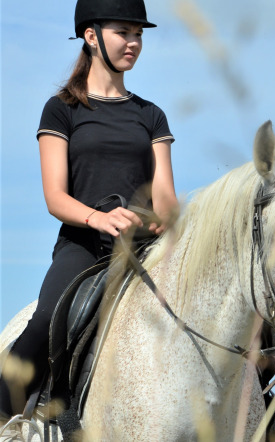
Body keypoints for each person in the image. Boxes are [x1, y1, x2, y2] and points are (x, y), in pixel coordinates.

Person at [0, 0, 178, 425]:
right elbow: (55, 197)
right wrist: (99, 218)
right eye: (123, 32)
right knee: (46, 320)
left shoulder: (150, 115)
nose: (133, 42)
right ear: (91, 35)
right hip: (83, 243)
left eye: (138, 34)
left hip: (143, 246)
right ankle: (6, 413)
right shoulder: (62, 109)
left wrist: (161, 220)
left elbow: (166, 197)